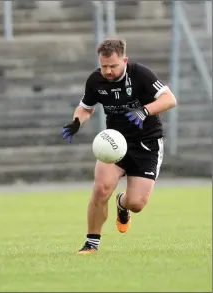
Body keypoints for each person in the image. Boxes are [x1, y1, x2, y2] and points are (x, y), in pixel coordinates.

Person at [61, 37, 177, 254]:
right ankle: (91, 244)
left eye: (113, 66)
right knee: (101, 189)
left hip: (147, 143)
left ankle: (122, 204)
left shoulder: (141, 74)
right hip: (114, 143)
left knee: (137, 203)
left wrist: (144, 111)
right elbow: (86, 108)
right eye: (103, 66)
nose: (108, 71)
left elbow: (170, 99)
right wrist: (77, 122)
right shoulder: (95, 80)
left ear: (124, 60)